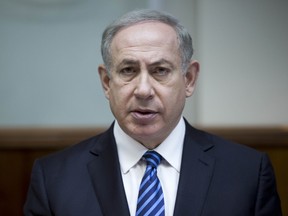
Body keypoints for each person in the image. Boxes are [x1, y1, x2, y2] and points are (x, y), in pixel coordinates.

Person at [24, 9, 282, 216]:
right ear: (106, 82)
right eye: (128, 70)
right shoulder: (54, 179)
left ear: (189, 79)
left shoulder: (247, 173)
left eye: (160, 70)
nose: (143, 90)